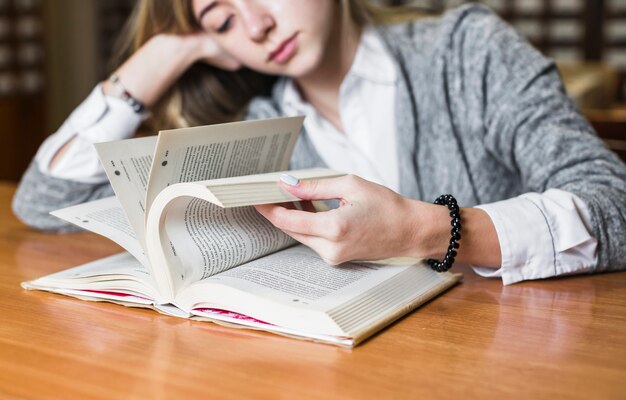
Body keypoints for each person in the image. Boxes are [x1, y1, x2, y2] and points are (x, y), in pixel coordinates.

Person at [12, 0, 626, 285]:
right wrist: (171, 45)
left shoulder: (467, 53)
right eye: (223, 18)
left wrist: (427, 231)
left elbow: (614, 206)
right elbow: (42, 201)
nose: (256, 25)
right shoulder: (256, 125)